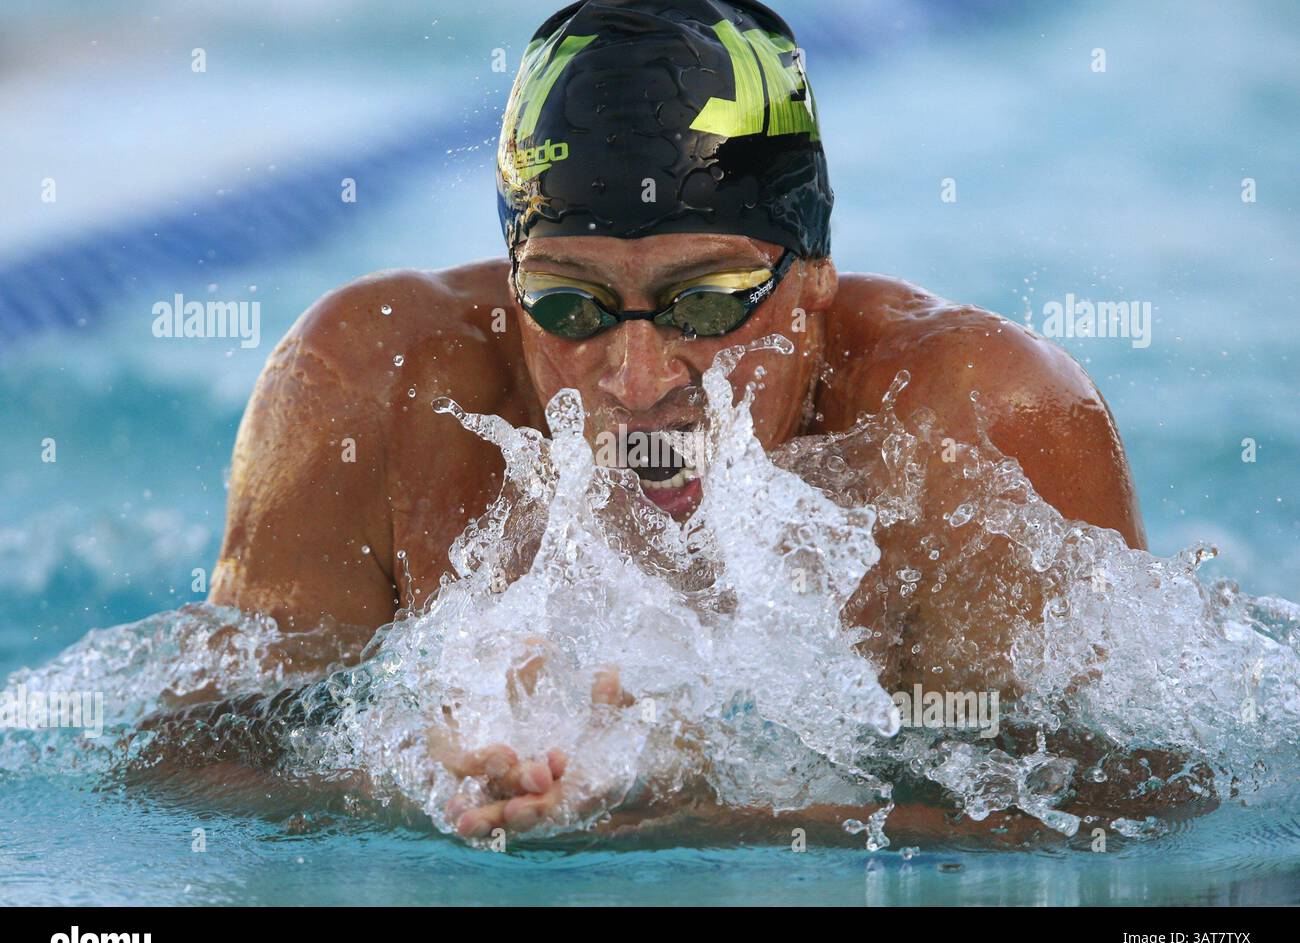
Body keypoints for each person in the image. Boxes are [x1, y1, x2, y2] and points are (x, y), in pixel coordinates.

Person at [206, 0, 1146, 837]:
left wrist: (716, 814)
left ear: (813, 274)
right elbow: (188, 760)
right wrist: (408, 782)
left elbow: (1127, 803)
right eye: (571, 307)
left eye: (705, 302)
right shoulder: (367, 385)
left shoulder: (976, 415)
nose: (639, 377)